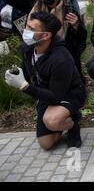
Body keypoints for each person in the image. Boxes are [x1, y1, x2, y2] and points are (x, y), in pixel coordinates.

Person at [4, 11, 86, 149]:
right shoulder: (27, 48)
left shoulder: (61, 59)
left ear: (46, 35)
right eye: (27, 26)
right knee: (46, 144)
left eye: (32, 29)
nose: (26, 31)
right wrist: (15, 74)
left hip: (69, 95)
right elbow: (27, 70)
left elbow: (56, 97)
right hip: (45, 93)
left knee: (51, 121)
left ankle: (73, 123)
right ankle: (60, 122)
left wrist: (24, 86)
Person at [0, 0, 86, 77]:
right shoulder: (35, 5)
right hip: (39, 54)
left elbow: (82, 37)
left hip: (62, 57)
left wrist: (76, 24)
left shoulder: (68, 10)